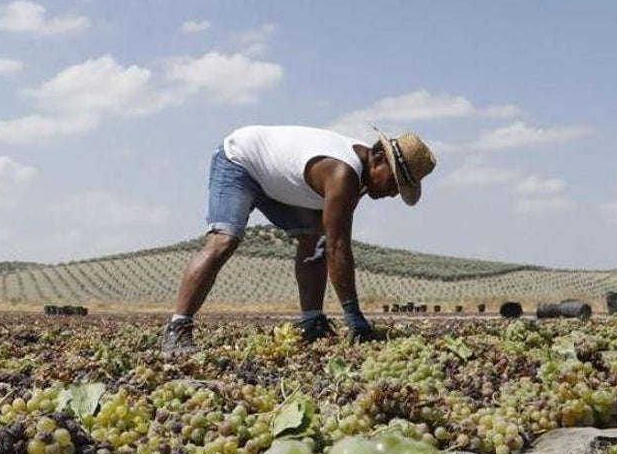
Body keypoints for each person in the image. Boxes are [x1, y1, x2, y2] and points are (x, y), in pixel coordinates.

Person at [160, 124, 436, 354]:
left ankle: (311, 323)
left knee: (314, 240)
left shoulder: (361, 174)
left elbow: (327, 240)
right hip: (240, 162)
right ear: (378, 159)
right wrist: (353, 315)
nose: (393, 194)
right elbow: (338, 245)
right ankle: (177, 328)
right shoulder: (343, 173)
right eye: (394, 183)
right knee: (225, 240)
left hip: (277, 183)